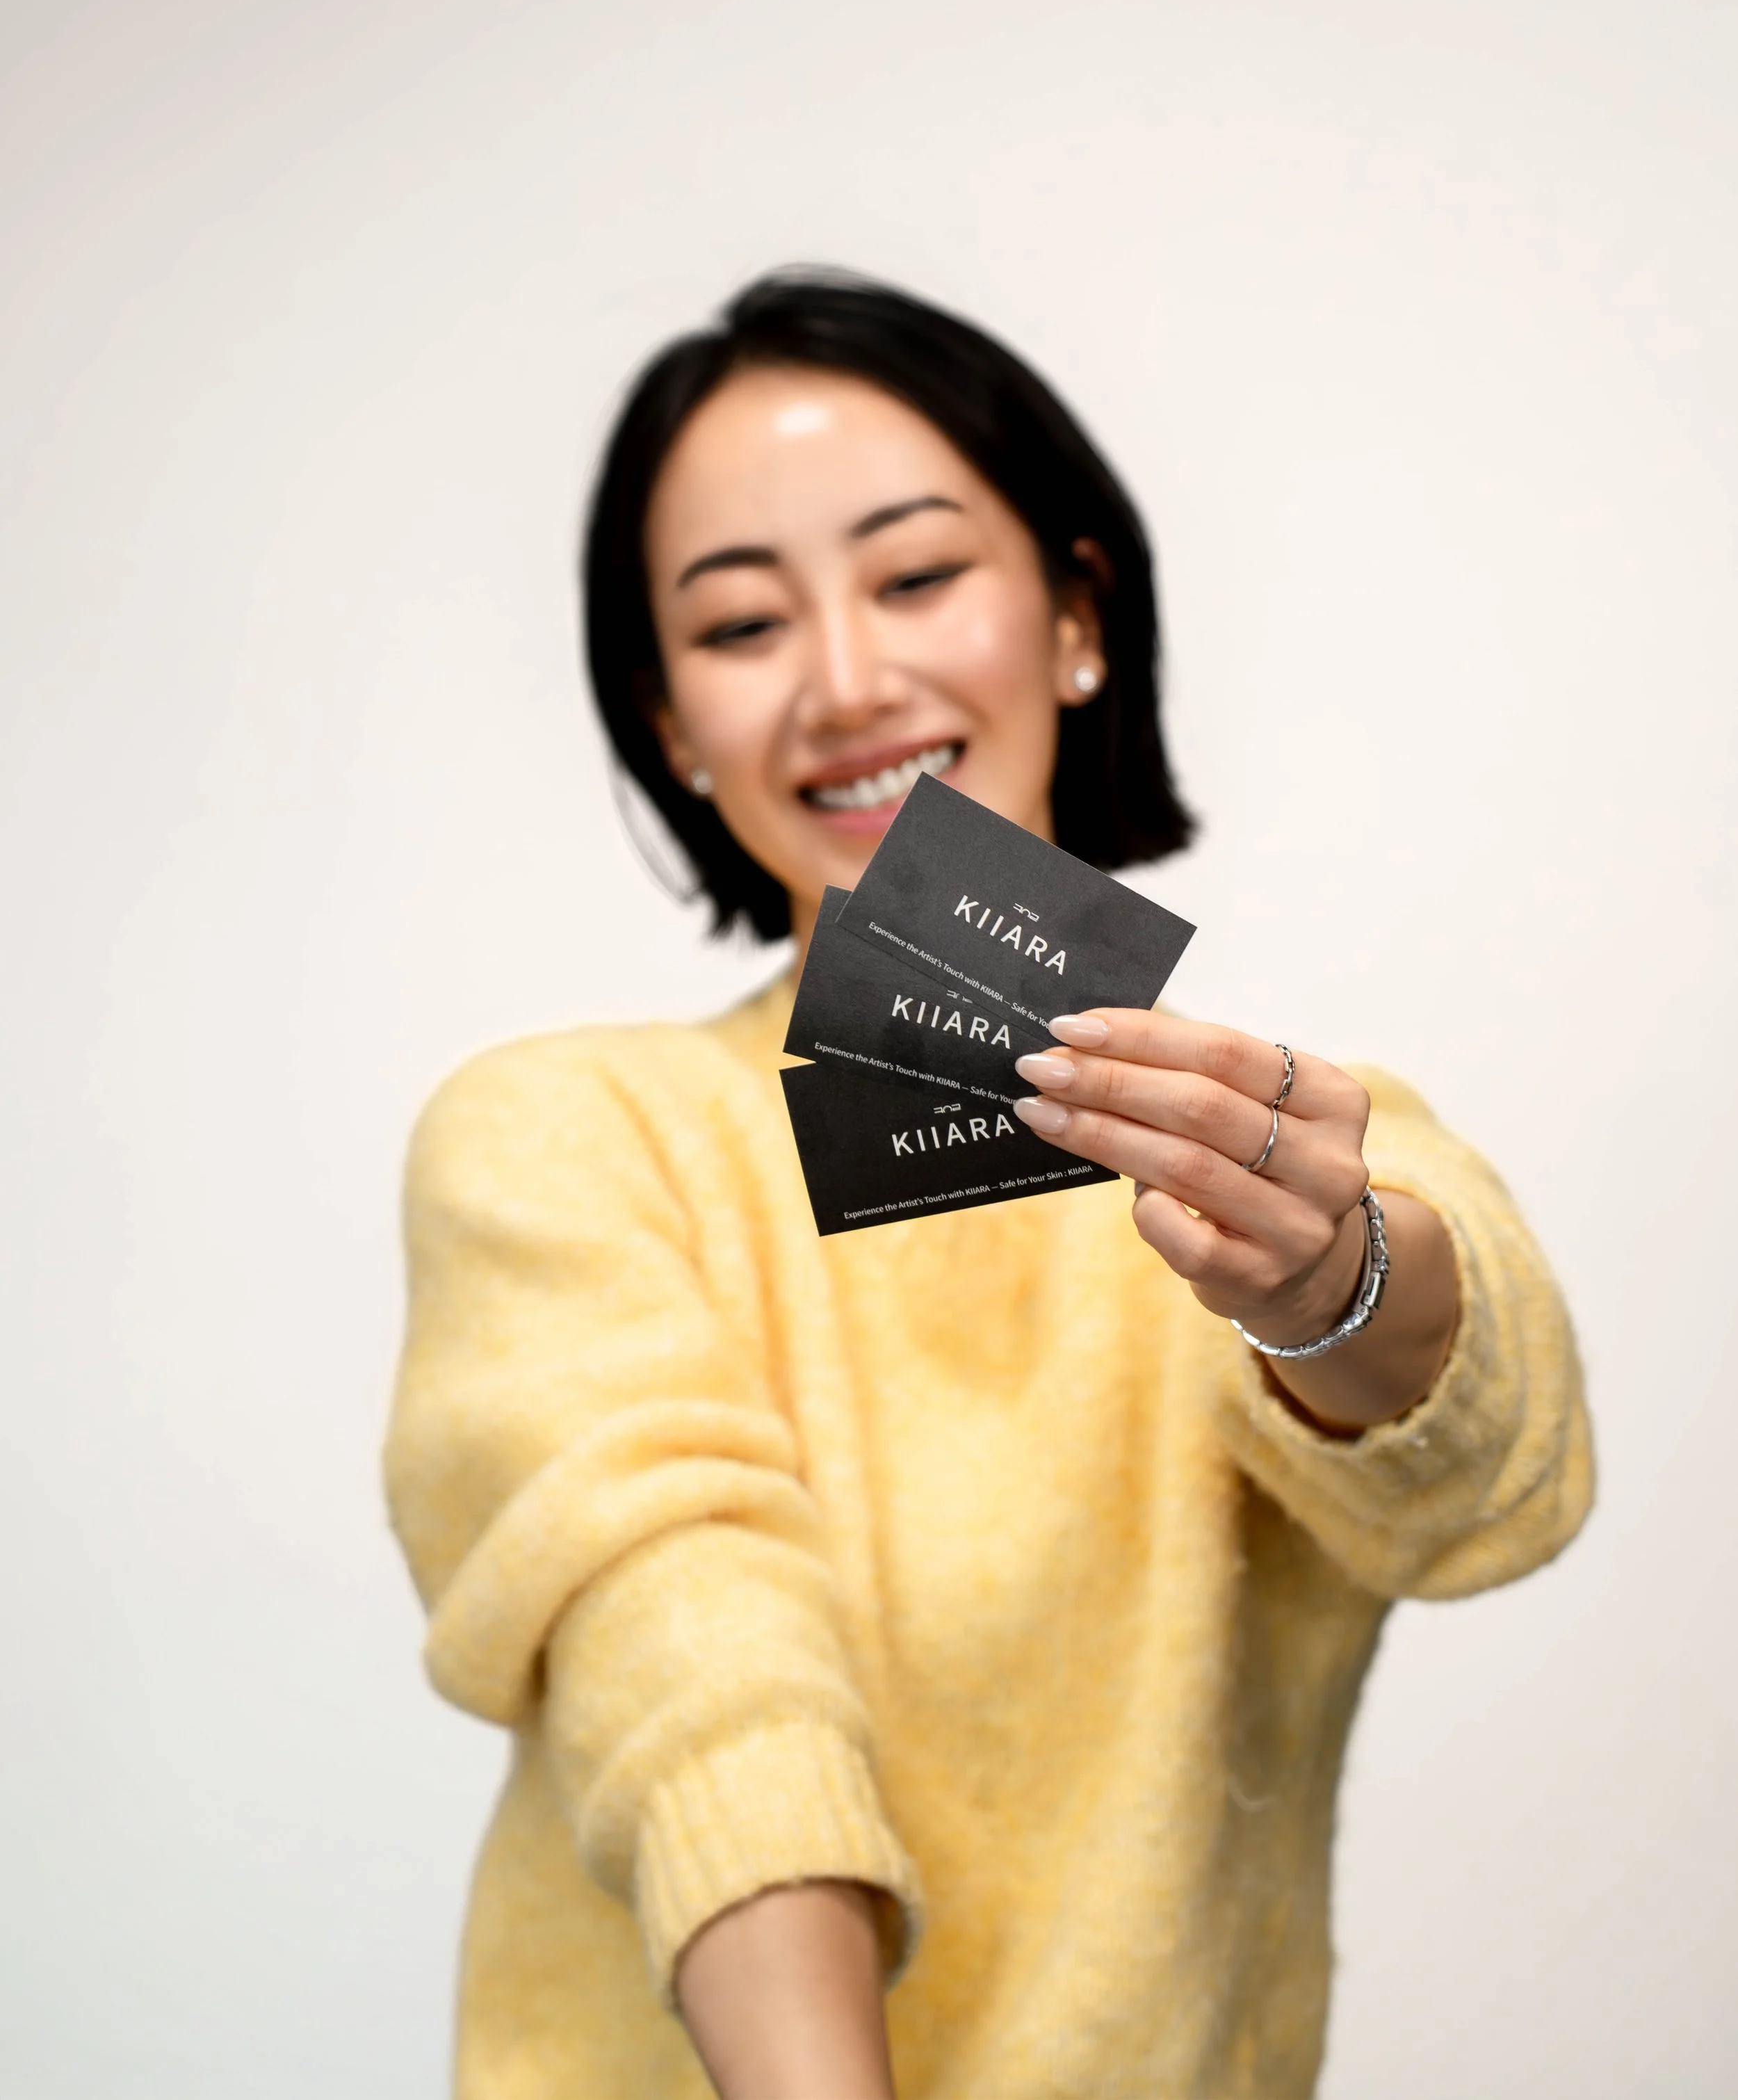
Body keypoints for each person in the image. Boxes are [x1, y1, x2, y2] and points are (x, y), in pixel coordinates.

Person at [384, 270, 1591, 2100]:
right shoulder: (564, 1132)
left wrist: (1325, 1285)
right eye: (737, 622)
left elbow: (1487, 1467)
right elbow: (685, 1652)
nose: (847, 678)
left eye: (917, 574)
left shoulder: (1282, 1135)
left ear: (1075, 617)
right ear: (670, 718)